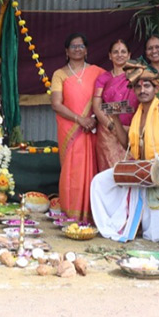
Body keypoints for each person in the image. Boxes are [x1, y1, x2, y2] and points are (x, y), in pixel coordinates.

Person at [89, 72, 159, 242]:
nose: (142, 90)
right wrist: (115, 118)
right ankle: (110, 225)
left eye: (147, 86)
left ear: (155, 89)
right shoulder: (136, 114)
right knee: (99, 182)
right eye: (138, 86)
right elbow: (127, 146)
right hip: (144, 172)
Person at [51, 33, 106, 220]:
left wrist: (94, 119)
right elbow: (56, 104)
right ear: (66, 51)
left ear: (87, 50)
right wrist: (79, 120)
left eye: (81, 46)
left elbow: (108, 97)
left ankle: (92, 215)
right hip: (71, 128)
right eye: (73, 46)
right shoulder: (59, 74)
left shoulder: (98, 72)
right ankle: (71, 214)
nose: (77, 49)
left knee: (93, 169)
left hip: (93, 128)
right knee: (72, 172)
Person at [91, 39, 139, 171]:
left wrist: (109, 108)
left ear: (129, 55)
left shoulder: (137, 76)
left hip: (132, 130)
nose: (120, 54)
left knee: (130, 174)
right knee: (110, 174)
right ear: (110, 55)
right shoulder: (103, 78)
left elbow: (142, 101)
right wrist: (111, 125)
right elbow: (96, 106)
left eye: (123, 51)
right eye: (115, 52)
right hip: (108, 133)